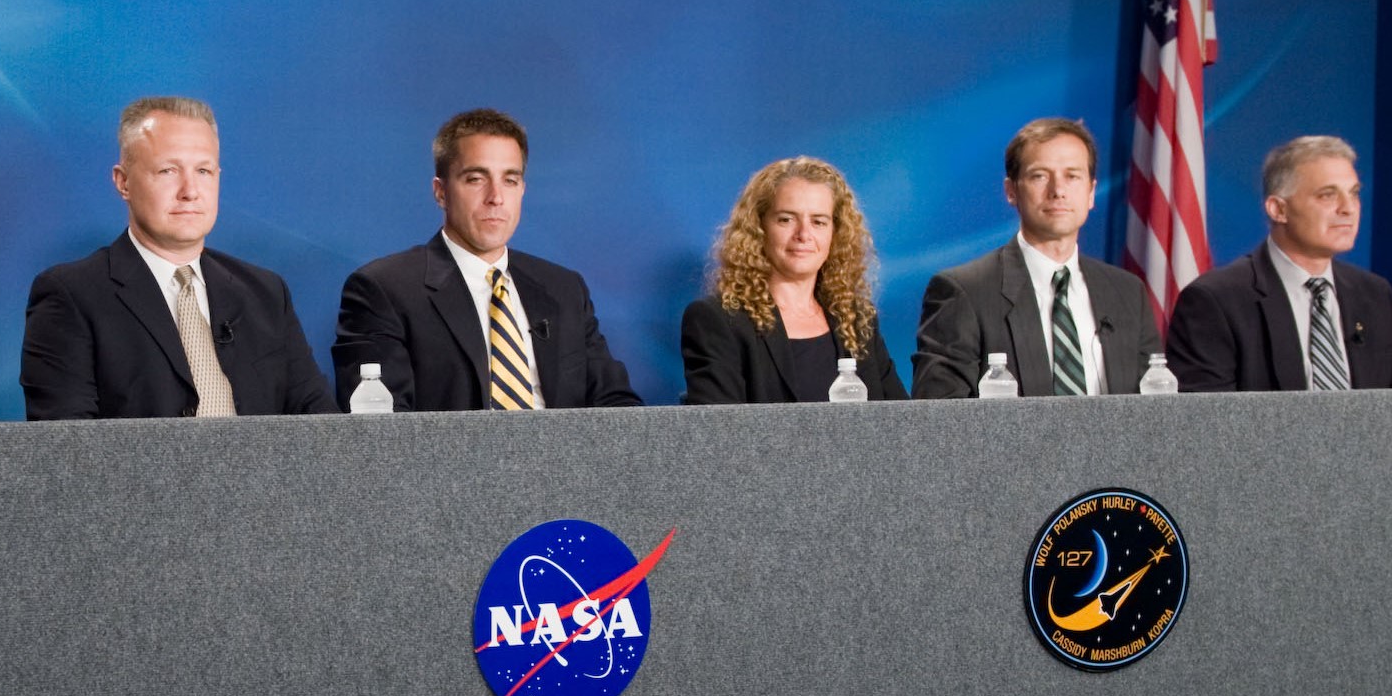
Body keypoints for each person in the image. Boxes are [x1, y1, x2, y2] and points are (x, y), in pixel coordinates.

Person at [21, 97, 333, 419]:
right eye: (168, 170)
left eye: (203, 170)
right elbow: (64, 448)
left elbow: (321, 427)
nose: (190, 191)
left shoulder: (265, 293)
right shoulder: (71, 295)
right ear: (123, 182)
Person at [332, 108, 640, 411]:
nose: (496, 197)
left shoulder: (565, 289)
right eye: (476, 179)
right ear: (441, 192)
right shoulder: (383, 289)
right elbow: (378, 434)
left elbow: (616, 405)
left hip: (567, 460)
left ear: (522, 189)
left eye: (510, 180)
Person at [912, 118, 1160, 398]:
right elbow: (938, 420)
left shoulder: (1127, 293)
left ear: (1091, 193)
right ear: (1011, 191)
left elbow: (1156, 414)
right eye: (1040, 175)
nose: (1058, 191)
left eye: (1072, 176)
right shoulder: (965, 292)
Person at [1165, 134, 1392, 391]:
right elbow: (1205, 421)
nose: (1348, 208)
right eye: (1328, 195)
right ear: (1278, 209)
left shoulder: (1375, 295)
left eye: (1354, 194)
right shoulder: (1216, 301)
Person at [681, 157, 906, 403]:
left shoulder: (856, 319)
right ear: (759, 227)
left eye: (818, 222)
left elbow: (901, 422)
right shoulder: (719, 320)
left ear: (835, 233)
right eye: (786, 219)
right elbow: (717, 431)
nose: (803, 234)